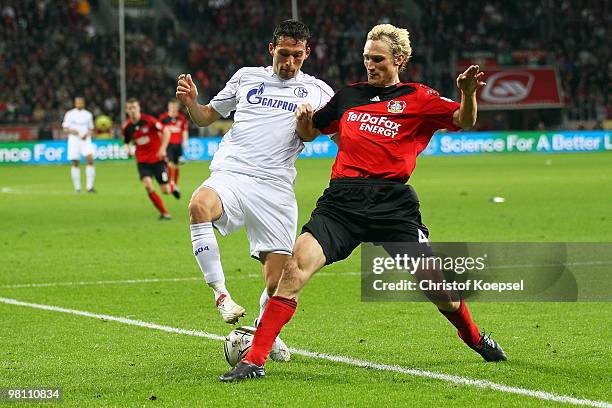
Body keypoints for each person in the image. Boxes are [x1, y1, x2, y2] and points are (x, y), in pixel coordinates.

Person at [221, 23, 507, 382]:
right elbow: (311, 132)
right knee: (294, 269)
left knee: (441, 293)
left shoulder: (419, 97)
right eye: (366, 58)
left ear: (399, 59)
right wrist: (305, 123)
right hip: (341, 202)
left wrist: (467, 94)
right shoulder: (348, 96)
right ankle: (254, 361)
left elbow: (464, 120)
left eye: (378, 59)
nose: (370, 65)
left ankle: (475, 337)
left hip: (393, 204)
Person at [176, 20, 334, 360]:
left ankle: (264, 330)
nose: (289, 63)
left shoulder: (319, 92)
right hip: (232, 172)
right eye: (283, 54)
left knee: (280, 282)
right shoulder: (246, 76)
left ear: (307, 54)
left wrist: (308, 129)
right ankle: (221, 295)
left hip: (275, 186)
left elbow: (326, 135)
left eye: (297, 56)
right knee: (198, 206)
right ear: (271, 49)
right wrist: (192, 102)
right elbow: (205, 117)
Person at [122, 98, 173, 220]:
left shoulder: (149, 120)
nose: (132, 110)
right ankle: (165, 213)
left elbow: (166, 131)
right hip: (142, 161)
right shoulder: (127, 127)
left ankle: (172, 185)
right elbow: (126, 142)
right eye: (130, 108)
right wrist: (127, 149)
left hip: (157, 159)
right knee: (148, 185)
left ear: (138, 108)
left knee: (166, 190)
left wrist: (163, 148)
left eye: (134, 107)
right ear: (126, 110)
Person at [62, 96, 95, 193]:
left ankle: (90, 187)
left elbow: (91, 129)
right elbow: (65, 128)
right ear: (75, 103)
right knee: (75, 162)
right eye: (77, 102)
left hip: (85, 140)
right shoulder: (69, 114)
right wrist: (73, 131)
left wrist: (88, 134)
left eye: (81, 102)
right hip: (74, 140)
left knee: (90, 159)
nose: (79, 104)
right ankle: (77, 188)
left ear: (83, 103)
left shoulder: (88, 115)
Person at [159, 100, 188, 199]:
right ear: (168, 107)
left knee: (177, 166)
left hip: (178, 145)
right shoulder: (163, 118)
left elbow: (184, 130)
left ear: (177, 108)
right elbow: (159, 131)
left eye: (175, 107)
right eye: (171, 107)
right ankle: (171, 184)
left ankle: (174, 184)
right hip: (168, 145)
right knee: (170, 164)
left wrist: (185, 141)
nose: (173, 108)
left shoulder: (181, 118)